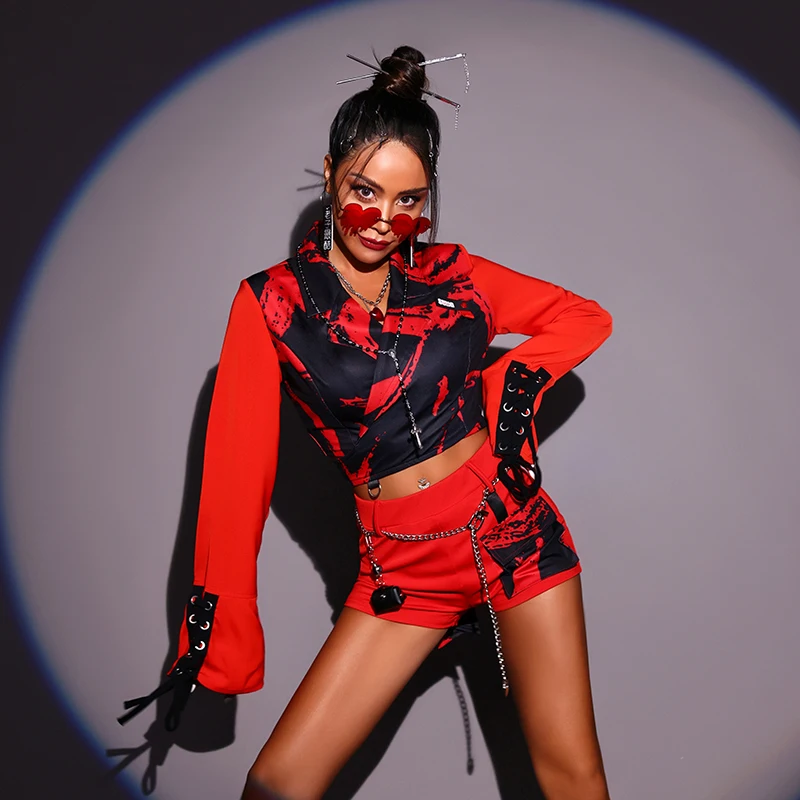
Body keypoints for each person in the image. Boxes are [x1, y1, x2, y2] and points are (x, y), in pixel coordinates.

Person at [123, 45, 613, 800]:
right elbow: (233, 479)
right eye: (365, 190)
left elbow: (583, 318)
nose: (385, 220)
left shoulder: (454, 276)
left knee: (571, 775)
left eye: (409, 200)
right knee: (278, 785)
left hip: (513, 533)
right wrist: (215, 641)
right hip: (402, 571)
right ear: (329, 175)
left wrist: (506, 392)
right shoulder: (272, 305)